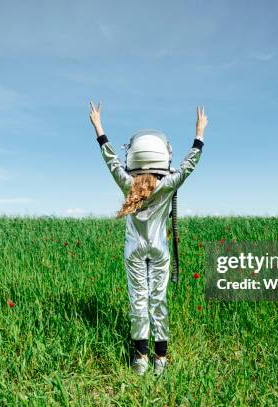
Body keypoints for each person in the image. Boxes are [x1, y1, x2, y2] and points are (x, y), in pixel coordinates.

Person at [89, 101, 207, 376]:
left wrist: (98, 127)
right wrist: (199, 134)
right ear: (161, 159)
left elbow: (110, 160)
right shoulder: (166, 186)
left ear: (135, 159)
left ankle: (140, 358)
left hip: (133, 250)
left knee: (138, 301)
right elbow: (189, 165)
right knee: (158, 300)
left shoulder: (126, 183)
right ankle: (160, 360)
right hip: (159, 250)